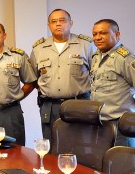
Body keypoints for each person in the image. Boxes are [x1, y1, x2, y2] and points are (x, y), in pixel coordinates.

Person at [30, 9, 94, 139]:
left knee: (81, 145)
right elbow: (33, 78)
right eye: (54, 21)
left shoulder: (86, 45)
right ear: (49, 26)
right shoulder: (39, 48)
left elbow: (96, 75)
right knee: (52, 146)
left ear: (71, 23)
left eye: (62, 20)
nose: (58, 24)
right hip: (50, 106)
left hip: (79, 104)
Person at [90, 18, 135, 147]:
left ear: (117, 34)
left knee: (122, 163)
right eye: (95, 34)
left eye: (103, 33)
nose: (98, 37)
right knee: (102, 163)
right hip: (101, 122)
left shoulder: (126, 58)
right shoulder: (96, 57)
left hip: (121, 124)